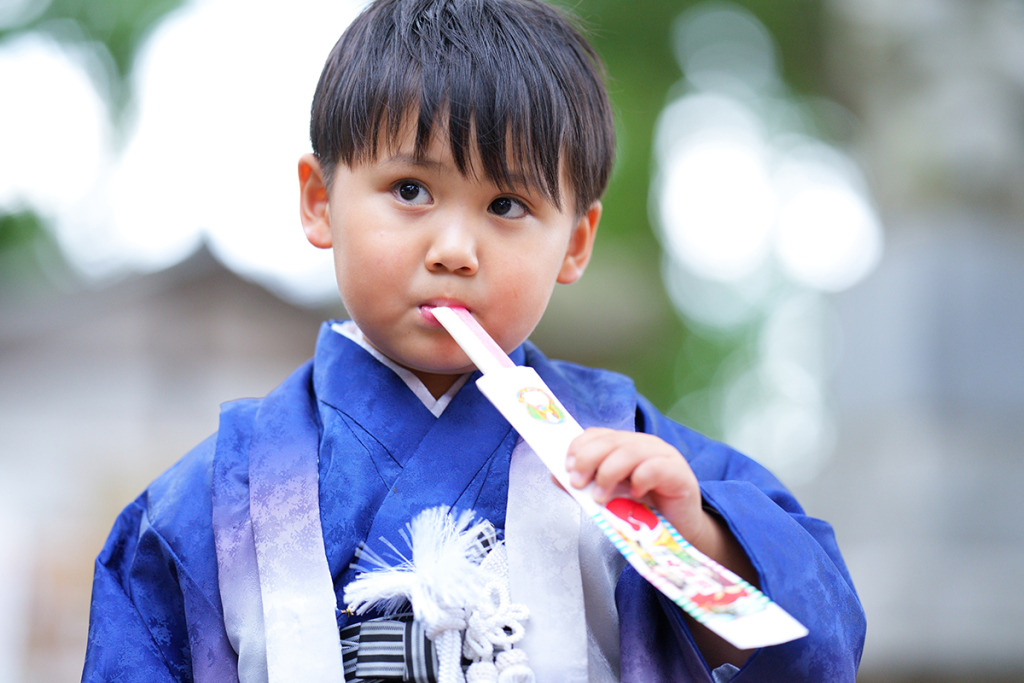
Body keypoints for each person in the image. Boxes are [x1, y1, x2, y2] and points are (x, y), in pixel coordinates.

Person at [82, 0, 866, 681]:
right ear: (320, 201)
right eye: (411, 191)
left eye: (508, 204)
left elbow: (818, 651)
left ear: (577, 242)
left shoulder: (627, 456)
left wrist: (696, 540)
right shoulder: (217, 497)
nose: (455, 247)